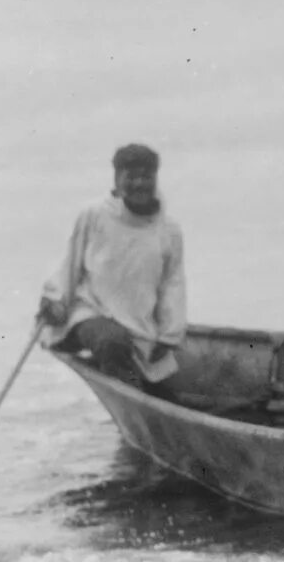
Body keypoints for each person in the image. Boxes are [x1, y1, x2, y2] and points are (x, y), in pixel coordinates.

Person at [38, 143, 187, 395]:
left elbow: (172, 284)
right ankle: (137, 404)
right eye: (131, 176)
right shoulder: (94, 215)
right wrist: (55, 300)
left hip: (138, 324)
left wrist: (169, 335)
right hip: (89, 314)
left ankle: (145, 401)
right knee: (112, 342)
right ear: (117, 179)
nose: (140, 184)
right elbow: (69, 264)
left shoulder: (168, 230)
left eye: (146, 176)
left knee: (166, 387)